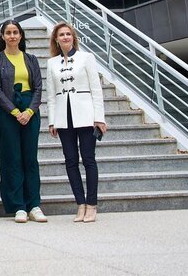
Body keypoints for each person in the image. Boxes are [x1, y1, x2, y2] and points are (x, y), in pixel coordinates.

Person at [48, 21, 106, 223]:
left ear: (73, 37)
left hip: (87, 116)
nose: (65, 37)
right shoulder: (52, 63)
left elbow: (96, 89)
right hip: (64, 118)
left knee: (89, 159)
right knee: (70, 161)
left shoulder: (86, 58)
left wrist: (99, 118)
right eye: (61, 35)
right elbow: (51, 95)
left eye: (68, 34)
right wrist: (52, 121)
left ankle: (92, 204)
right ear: (56, 39)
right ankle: (80, 203)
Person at [0, 19, 45, 224]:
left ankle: (34, 205)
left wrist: (29, 111)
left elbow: (38, 87)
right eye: (8, 32)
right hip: (8, 112)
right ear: (2, 36)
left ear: (21, 36)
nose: (12, 36)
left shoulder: (31, 59)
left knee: (30, 158)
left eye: (15, 32)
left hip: (30, 110)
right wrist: (14, 111)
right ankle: (18, 206)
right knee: (11, 158)